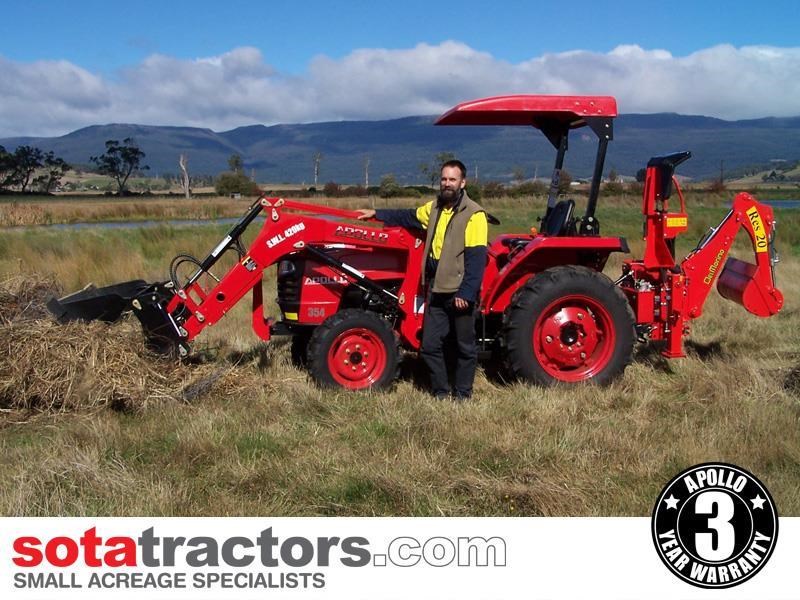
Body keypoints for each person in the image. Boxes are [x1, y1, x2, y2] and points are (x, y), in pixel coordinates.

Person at [356, 160, 488, 400]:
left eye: (452, 179)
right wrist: (377, 214)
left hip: (459, 291)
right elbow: (408, 216)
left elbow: (477, 260)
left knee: (464, 347)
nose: (447, 184)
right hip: (436, 289)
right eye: (444, 179)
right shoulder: (435, 208)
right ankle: (440, 391)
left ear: (463, 182)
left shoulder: (474, 215)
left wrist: (466, 293)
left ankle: (463, 394)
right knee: (428, 347)